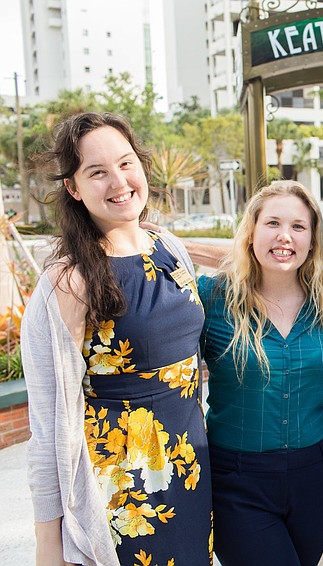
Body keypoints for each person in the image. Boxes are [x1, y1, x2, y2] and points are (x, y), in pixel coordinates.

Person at [22, 112, 212, 566]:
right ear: (73, 188)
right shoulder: (67, 283)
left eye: (126, 163)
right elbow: (47, 429)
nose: (118, 181)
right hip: (120, 493)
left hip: (189, 474)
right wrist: (49, 549)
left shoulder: (165, 246)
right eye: (97, 171)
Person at [197, 181, 323, 565]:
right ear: (251, 233)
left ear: (313, 240)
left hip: (315, 474)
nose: (285, 237)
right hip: (237, 480)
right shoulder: (212, 296)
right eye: (273, 223)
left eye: (299, 227)